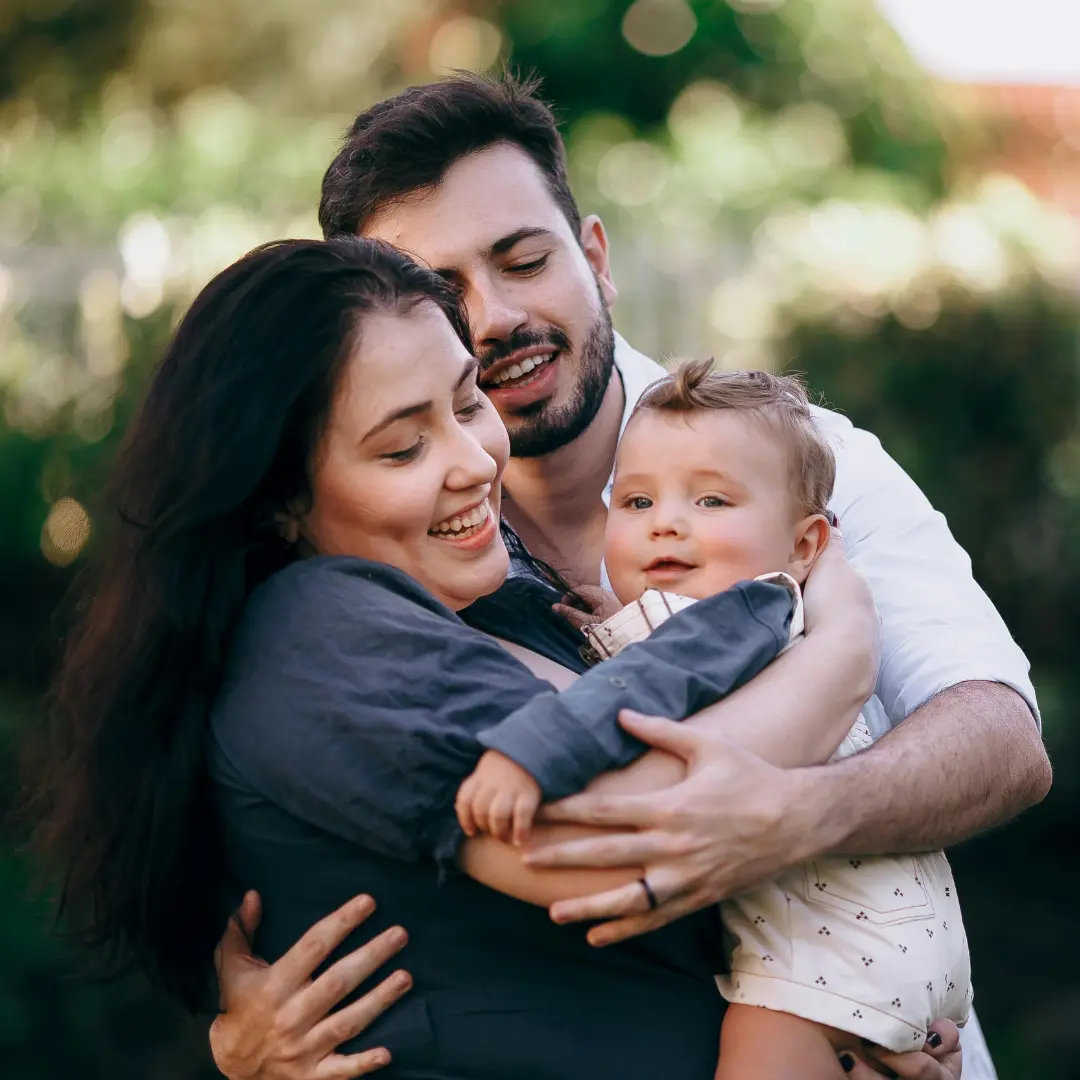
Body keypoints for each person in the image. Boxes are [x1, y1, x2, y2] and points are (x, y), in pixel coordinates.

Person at [209, 73, 1050, 1080]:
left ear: (595, 258)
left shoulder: (793, 458)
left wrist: (796, 817)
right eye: (443, 293)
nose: (496, 316)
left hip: (874, 1017)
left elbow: (1002, 737)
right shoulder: (425, 553)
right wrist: (234, 1029)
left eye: (524, 260)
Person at [31, 236, 883, 1079]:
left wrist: (858, 1023)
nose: (474, 462)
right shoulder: (318, 632)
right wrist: (842, 647)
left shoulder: (504, 600)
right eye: (403, 448)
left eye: (469, 404)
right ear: (280, 495)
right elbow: (630, 842)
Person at [457, 362, 974, 1078]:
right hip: (887, 934)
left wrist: (531, 752)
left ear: (804, 546)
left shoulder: (753, 605)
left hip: (830, 949)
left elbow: (658, 676)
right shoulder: (755, 621)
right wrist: (619, 623)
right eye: (636, 501)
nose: (666, 521)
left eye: (710, 500)